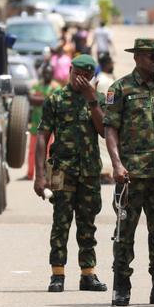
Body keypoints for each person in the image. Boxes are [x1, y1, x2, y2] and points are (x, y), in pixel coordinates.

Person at [104, 38, 154, 307]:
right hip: (131, 175)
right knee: (124, 231)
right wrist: (116, 163)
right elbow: (110, 128)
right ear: (137, 57)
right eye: (152, 56)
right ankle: (121, 285)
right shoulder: (121, 89)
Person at [33, 55, 108, 293]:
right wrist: (39, 175)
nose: (80, 79)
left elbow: (104, 131)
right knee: (61, 222)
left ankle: (88, 274)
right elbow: (42, 136)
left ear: (91, 76)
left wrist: (92, 100)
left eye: (85, 76)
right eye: (76, 73)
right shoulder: (55, 99)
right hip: (61, 171)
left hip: (89, 172)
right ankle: (58, 274)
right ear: (70, 70)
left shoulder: (98, 100)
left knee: (88, 223)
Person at [25, 66, 59, 180]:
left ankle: (46, 174)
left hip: (50, 126)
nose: (46, 75)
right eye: (45, 73)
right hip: (36, 125)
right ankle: (30, 174)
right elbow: (31, 98)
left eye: (49, 73)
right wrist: (46, 99)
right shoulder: (37, 85)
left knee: (49, 152)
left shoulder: (56, 87)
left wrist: (40, 99)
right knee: (32, 151)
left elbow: (53, 102)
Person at [94, 55, 116, 183]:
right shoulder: (103, 80)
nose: (112, 64)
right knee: (103, 146)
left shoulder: (106, 78)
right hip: (105, 116)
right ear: (106, 64)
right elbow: (108, 100)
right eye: (111, 62)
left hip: (107, 116)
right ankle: (104, 173)